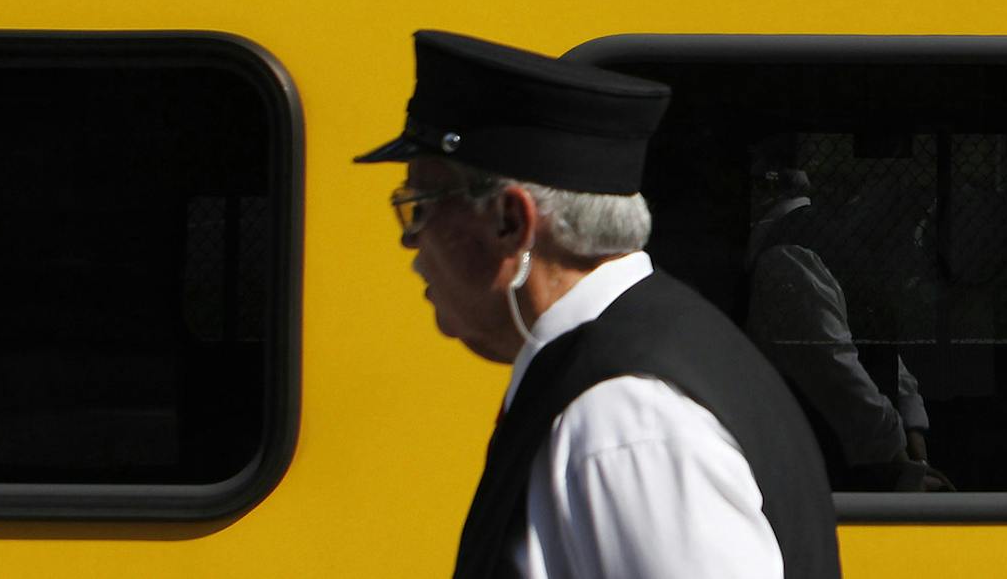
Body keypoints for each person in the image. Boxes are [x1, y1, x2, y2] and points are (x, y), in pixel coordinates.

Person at [356, 31, 840, 579]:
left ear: (509, 222)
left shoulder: (624, 416)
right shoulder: (657, 351)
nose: (409, 239)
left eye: (419, 204)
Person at [744, 165, 950, 491]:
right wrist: (909, 432)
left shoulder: (788, 253)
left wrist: (897, 456)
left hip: (828, 464)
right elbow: (859, 349)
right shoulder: (834, 241)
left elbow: (834, 364)